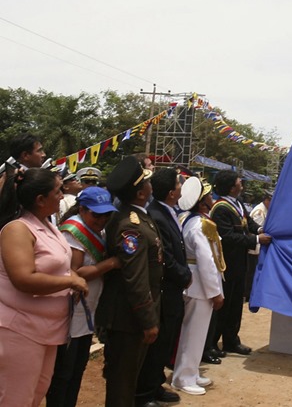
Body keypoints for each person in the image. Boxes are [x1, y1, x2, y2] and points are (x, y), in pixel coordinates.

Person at [0, 167, 89, 406]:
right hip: (20, 328)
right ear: (40, 200)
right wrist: (71, 280)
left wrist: (71, 276)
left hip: (48, 330)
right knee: (15, 397)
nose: (63, 195)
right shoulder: (18, 229)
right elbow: (24, 279)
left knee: (37, 391)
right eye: (58, 191)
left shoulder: (48, 225)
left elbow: (59, 263)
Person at [95, 156, 162, 407]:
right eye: (146, 181)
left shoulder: (137, 216)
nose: (149, 183)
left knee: (128, 380)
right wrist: (148, 319)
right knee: (122, 385)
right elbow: (134, 278)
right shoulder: (129, 225)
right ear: (141, 193)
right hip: (127, 319)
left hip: (132, 316)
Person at [46, 186, 120, 407]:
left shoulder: (100, 230)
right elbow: (77, 271)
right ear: (82, 209)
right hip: (72, 313)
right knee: (64, 372)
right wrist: (111, 263)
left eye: (106, 214)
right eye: (96, 214)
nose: (101, 219)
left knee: (78, 368)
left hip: (88, 311)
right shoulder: (73, 231)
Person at [135, 167, 191, 406]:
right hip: (165, 288)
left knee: (166, 341)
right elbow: (165, 255)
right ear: (171, 192)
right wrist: (183, 275)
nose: (182, 187)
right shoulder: (156, 215)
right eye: (179, 184)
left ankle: (155, 385)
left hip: (173, 289)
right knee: (157, 344)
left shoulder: (167, 211)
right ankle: (144, 393)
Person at [172, 177, 225, 395]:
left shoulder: (188, 219)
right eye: (209, 196)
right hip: (200, 285)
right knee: (193, 334)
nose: (212, 199)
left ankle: (190, 372)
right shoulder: (201, 225)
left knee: (194, 334)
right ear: (202, 202)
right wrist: (215, 292)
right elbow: (207, 261)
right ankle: (183, 378)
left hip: (194, 282)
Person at [210, 171, 271, 355]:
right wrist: (257, 240)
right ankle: (213, 342)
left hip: (239, 262)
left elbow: (248, 223)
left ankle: (231, 340)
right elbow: (228, 237)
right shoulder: (220, 208)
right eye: (239, 182)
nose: (242, 185)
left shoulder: (236, 204)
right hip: (227, 264)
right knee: (224, 305)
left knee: (236, 303)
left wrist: (260, 229)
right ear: (231, 187)